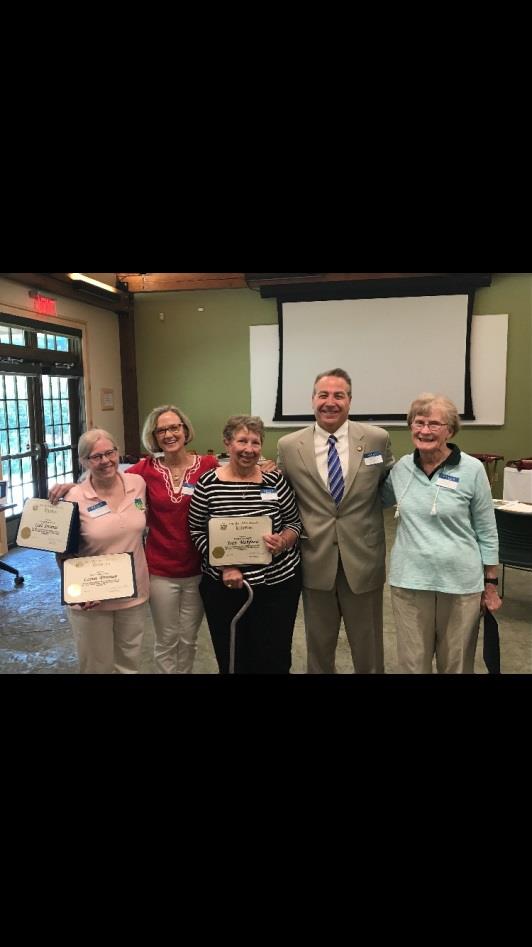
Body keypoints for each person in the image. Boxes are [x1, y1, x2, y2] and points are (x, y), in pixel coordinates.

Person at [51, 405, 218, 673]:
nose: (169, 434)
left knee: (182, 641)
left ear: (186, 430)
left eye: (174, 427)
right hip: (158, 571)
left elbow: (236, 472)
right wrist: (73, 487)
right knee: (152, 644)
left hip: (193, 570)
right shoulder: (145, 471)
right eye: (161, 429)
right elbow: (101, 477)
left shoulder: (207, 466)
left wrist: (266, 467)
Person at [277, 368, 394, 674]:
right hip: (315, 557)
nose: (330, 402)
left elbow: (390, 485)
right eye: (323, 395)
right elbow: (280, 497)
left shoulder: (376, 439)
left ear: (350, 401)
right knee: (318, 646)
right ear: (312, 399)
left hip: (363, 558)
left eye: (338, 395)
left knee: (368, 647)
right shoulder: (289, 446)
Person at [381, 393, 502, 673]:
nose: (425, 430)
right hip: (409, 583)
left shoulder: (472, 470)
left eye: (434, 424)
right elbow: (370, 498)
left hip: (461, 586)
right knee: (413, 665)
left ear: (450, 429)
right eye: (418, 422)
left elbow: (487, 528)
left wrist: (491, 582)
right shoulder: (401, 469)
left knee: (456, 666)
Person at [189, 415, 302, 674]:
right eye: (242, 441)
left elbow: (294, 524)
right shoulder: (208, 485)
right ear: (227, 444)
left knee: (275, 655)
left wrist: (283, 540)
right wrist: (225, 566)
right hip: (225, 585)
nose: (249, 449)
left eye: (255, 442)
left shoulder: (274, 482)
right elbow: (196, 529)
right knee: (233, 656)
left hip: (277, 584)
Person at [60, 429, 149, 674]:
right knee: (96, 667)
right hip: (92, 600)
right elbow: (62, 553)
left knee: (128, 664)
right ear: (83, 462)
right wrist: (79, 592)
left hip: (134, 594)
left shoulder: (137, 484)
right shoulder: (73, 497)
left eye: (110, 453)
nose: (106, 461)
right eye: (95, 457)